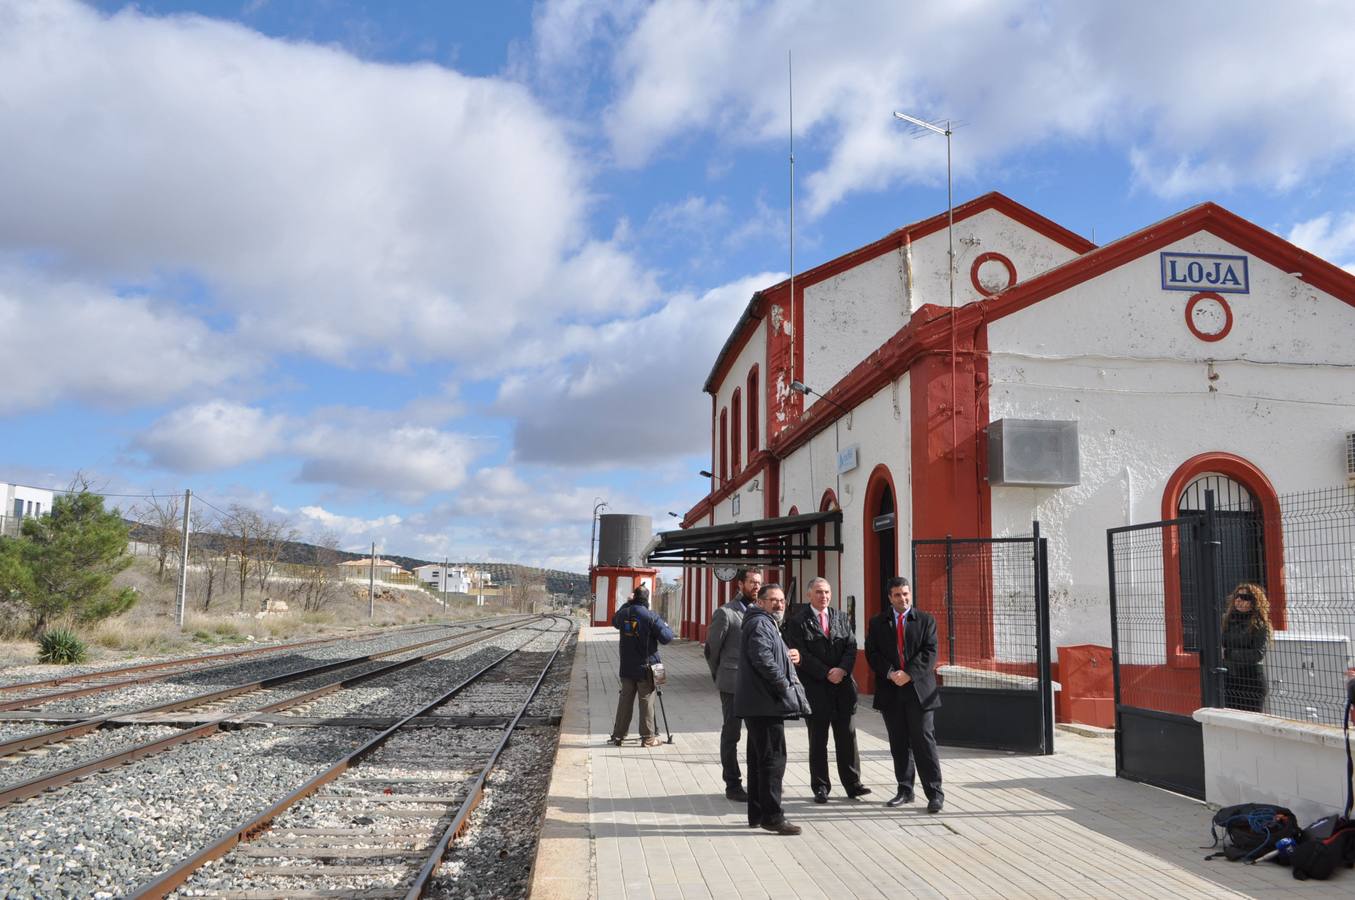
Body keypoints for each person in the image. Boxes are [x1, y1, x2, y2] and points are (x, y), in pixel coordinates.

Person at [782, 576, 870, 803]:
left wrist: (841, 670)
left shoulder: (841, 617)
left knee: (847, 738)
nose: (824, 596)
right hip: (816, 688)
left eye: (827, 592)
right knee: (818, 739)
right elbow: (800, 653)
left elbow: (851, 647)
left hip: (842, 688)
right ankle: (821, 787)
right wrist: (825, 672)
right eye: (819, 592)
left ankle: (853, 784)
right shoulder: (797, 621)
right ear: (809, 594)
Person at [735, 583, 811, 835]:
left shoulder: (765, 623)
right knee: (773, 761)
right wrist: (782, 684)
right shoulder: (760, 623)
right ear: (760, 603)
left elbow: (768, 654)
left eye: (781, 600)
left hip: (759, 702)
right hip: (765, 703)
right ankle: (773, 817)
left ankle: (757, 813)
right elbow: (762, 658)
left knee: (759, 760)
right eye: (773, 600)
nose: (779, 604)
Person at [865, 576, 944, 813]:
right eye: (898, 594)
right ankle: (905, 789)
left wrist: (908, 674)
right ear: (890, 597)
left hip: (919, 691)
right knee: (898, 743)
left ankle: (935, 793)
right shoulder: (878, 622)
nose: (903, 598)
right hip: (891, 691)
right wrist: (891, 673)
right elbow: (872, 653)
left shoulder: (925, 620)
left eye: (906, 593)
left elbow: (929, 652)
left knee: (923, 741)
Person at [704, 569, 761, 801]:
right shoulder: (726, 613)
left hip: (757, 685)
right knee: (732, 734)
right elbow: (711, 649)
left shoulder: (761, 611)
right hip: (732, 685)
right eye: (752, 582)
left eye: (759, 583)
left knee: (757, 735)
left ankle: (757, 782)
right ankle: (733, 784)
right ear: (740, 585)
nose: (756, 586)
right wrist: (721, 675)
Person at [608, 583, 674, 747]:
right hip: (646, 668)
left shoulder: (624, 613)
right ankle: (648, 738)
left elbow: (614, 621)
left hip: (627, 668)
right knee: (646, 701)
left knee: (625, 701)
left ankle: (618, 736)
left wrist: (627, 603)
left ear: (633, 598)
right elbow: (667, 637)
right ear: (647, 599)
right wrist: (664, 625)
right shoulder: (651, 616)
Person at [1221, 582, 1272, 713]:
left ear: (1254, 602)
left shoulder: (1260, 625)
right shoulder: (1226, 621)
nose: (1239, 600)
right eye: (1237, 596)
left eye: (1245, 597)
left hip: (1251, 682)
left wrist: (1228, 654)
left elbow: (1258, 654)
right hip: (1230, 680)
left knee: (1251, 722)